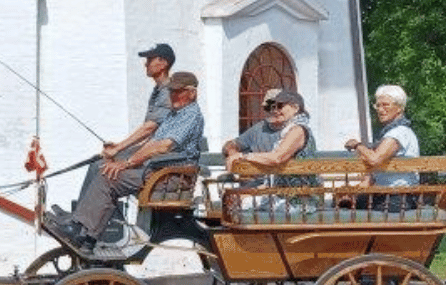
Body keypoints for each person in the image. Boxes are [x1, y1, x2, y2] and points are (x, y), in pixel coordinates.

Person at [59, 71, 205, 253]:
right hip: (157, 172)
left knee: (108, 178)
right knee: (104, 166)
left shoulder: (191, 115)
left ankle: (85, 233)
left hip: (169, 178)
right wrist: (119, 154)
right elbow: (151, 143)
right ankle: (82, 229)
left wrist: (127, 163)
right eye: (171, 91)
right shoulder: (175, 114)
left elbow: (163, 147)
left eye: (178, 91)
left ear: (192, 93)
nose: (172, 95)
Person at [67, 43, 175, 213]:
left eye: (149, 59)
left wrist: (119, 148)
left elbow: (150, 127)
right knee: (99, 162)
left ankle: (81, 220)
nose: (145, 64)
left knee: (101, 167)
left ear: (163, 64)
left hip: (160, 155)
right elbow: (153, 131)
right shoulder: (159, 90)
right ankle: (79, 215)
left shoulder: (168, 90)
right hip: (153, 148)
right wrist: (120, 148)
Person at [344, 84, 420, 210]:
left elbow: (375, 159)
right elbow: (372, 177)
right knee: (345, 203)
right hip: (389, 195)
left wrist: (357, 145)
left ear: (399, 108)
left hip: (398, 199)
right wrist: (353, 194)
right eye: (378, 105)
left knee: (347, 208)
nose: (380, 109)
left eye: (385, 105)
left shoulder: (399, 132)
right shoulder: (391, 133)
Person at [222, 88, 283, 170]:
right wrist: (232, 152)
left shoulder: (296, 130)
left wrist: (243, 156)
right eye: (269, 107)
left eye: (279, 106)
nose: (274, 111)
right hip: (258, 180)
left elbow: (277, 158)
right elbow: (230, 145)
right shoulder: (258, 129)